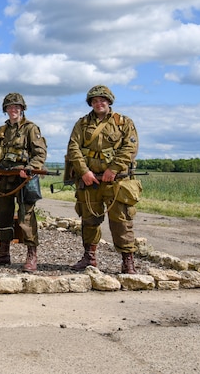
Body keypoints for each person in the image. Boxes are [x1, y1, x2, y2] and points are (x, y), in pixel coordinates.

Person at [67, 85, 141, 274]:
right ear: (90, 103)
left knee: (121, 221)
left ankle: (127, 261)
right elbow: (73, 148)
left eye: (102, 100)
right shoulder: (82, 124)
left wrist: (113, 169)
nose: (98, 103)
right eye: (94, 101)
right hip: (90, 180)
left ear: (109, 101)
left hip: (117, 181)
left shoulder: (124, 123)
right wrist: (84, 172)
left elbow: (129, 149)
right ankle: (89, 258)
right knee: (89, 220)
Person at [0, 93, 47, 272]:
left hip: (23, 180)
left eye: (17, 107)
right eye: (10, 107)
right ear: (5, 110)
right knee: (3, 215)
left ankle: (31, 255)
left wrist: (30, 167)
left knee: (26, 216)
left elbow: (40, 153)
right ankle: (3, 254)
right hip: (3, 179)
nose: (13, 110)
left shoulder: (31, 129)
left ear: (22, 109)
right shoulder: (2, 131)